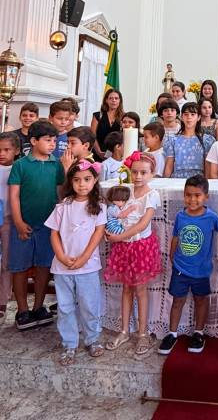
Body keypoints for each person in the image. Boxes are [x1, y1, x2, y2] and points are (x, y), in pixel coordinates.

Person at [158, 175, 218, 356]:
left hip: (201, 270)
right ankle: (172, 333)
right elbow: (176, 236)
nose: (192, 199)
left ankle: (199, 333)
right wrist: (171, 254)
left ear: (206, 196)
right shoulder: (180, 216)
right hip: (180, 268)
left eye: (197, 195)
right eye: (188, 195)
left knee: (201, 300)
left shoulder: (211, 217)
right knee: (177, 301)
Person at [44, 160, 107, 365]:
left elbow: (98, 233)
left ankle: (92, 339)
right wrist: (62, 257)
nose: (82, 184)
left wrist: (84, 258)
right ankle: (69, 343)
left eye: (87, 179)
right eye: (77, 180)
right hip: (63, 267)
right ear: (70, 182)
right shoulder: (63, 206)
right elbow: (54, 233)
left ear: (94, 180)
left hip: (87, 266)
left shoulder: (99, 207)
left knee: (89, 305)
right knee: (65, 307)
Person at [7, 121, 65, 330]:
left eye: (54, 141)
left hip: (48, 226)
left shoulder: (56, 164)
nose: (52, 144)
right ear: (33, 141)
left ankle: (39, 306)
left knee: (44, 265)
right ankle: (23, 310)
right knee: (20, 267)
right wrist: (19, 222)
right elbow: (14, 196)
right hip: (23, 225)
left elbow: (60, 193)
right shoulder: (21, 165)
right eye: (48, 140)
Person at [104, 152, 161, 356]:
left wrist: (119, 237)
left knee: (140, 290)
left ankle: (143, 333)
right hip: (124, 248)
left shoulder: (152, 195)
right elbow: (117, 214)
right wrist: (112, 229)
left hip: (140, 247)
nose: (138, 176)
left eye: (143, 173)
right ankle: (124, 330)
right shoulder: (126, 192)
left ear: (152, 174)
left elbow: (143, 224)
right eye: (134, 172)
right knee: (126, 289)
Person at [164, 102, 215, 178]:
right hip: (177, 180)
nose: (189, 117)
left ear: (198, 117)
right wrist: (165, 182)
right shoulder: (173, 140)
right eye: (186, 114)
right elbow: (169, 166)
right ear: (181, 117)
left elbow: (207, 167)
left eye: (193, 114)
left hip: (198, 180)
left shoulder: (206, 140)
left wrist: (206, 182)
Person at [0, 132, 19, 323]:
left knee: (7, 261)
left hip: (9, 220)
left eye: (7, 149)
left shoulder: (17, 169)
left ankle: (3, 301)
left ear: (16, 150)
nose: (2, 153)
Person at [91, 89, 123, 161]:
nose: (113, 100)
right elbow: (92, 135)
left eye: (116, 98)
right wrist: (98, 151)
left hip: (117, 155)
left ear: (120, 101)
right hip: (98, 153)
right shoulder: (98, 115)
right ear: (106, 100)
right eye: (111, 98)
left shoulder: (124, 117)